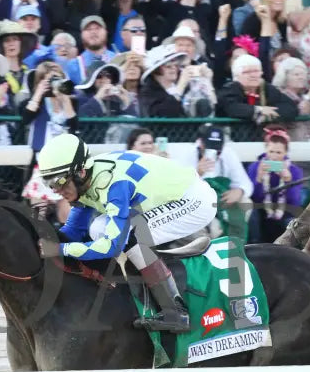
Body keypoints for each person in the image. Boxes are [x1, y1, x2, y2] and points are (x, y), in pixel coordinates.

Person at [36, 133, 217, 334]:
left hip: (194, 201)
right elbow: (73, 232)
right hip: (169, 194)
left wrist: (60, 249)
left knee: (131, 235)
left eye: (59, 182)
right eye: (49, 184)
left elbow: (111, 246)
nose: (56, 190)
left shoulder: (113, 185)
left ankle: (175, 312)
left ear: (80, 173)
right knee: (97, 228)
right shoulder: (85, 178)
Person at [247, 129, 305, 243]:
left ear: (285, 153)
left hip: (284, 212)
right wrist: (258, 179)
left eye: (278, 153)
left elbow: (295, 202)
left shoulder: (294, 170)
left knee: (292, 221)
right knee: (252, 215)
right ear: (266, 150)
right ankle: (254, 246)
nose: (274, 157)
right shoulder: (255, 167)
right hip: (262, 210)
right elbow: (253, 198)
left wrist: (288, 181)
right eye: (271, 151)